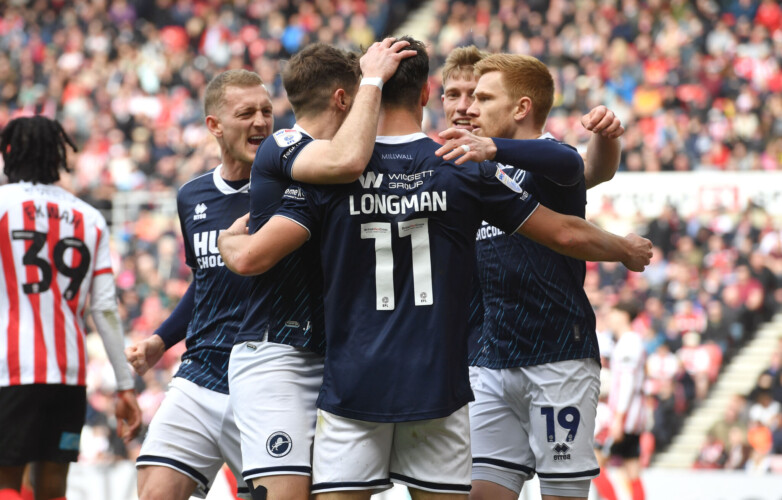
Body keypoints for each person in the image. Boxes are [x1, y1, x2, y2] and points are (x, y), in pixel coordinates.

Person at [219, 36, 652, 500]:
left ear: (366, 93)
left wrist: (231, 242)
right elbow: (564, 231)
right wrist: (623, 249)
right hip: (439, 387)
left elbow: (254, 256)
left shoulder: (330, 174)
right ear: (427, 94)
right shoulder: (463, 166)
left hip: (354, 383)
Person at [219, 39, 415, 500]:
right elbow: (346, 161)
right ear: (343, 98)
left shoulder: (340, 167)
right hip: (278, 355)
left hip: (335, 358)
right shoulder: (284, 145)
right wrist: (373, 78)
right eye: (362, 97)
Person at [435, 53, 625, 500]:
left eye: (480, 97)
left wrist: (606, 139)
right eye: (456, 95)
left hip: (556, 357)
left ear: (519, 106)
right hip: (488, 358)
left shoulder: (542, 159)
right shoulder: (466, 171)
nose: (468, 108)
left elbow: (577, 166)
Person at [124, 69, 274, 500]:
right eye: (246, 113)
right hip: (200, 373)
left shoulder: (291, 190)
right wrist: (160, 340)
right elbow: (205, 281)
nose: (261, 122)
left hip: (268, 378)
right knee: (154, 492)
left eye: (266, 111)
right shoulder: (192, 195)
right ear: (215, 125)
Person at [0, 116, 141, 500]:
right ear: (57, 156)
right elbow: (105, 309)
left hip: (12, 368)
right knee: (52, 488)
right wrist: (124, 385)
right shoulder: (90, 218)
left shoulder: (3, 204)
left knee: (5, 481)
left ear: (9, 155)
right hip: (68, 374)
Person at [603, 302, 647, 500]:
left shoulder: (629, 343)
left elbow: (627, 382)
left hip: (626, 415)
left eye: (613, 312)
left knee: (595, 462)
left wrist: (619, 418)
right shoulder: (626, 341)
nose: (609, 317)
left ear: (624, 315)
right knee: (632, 467)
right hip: (631, 414)